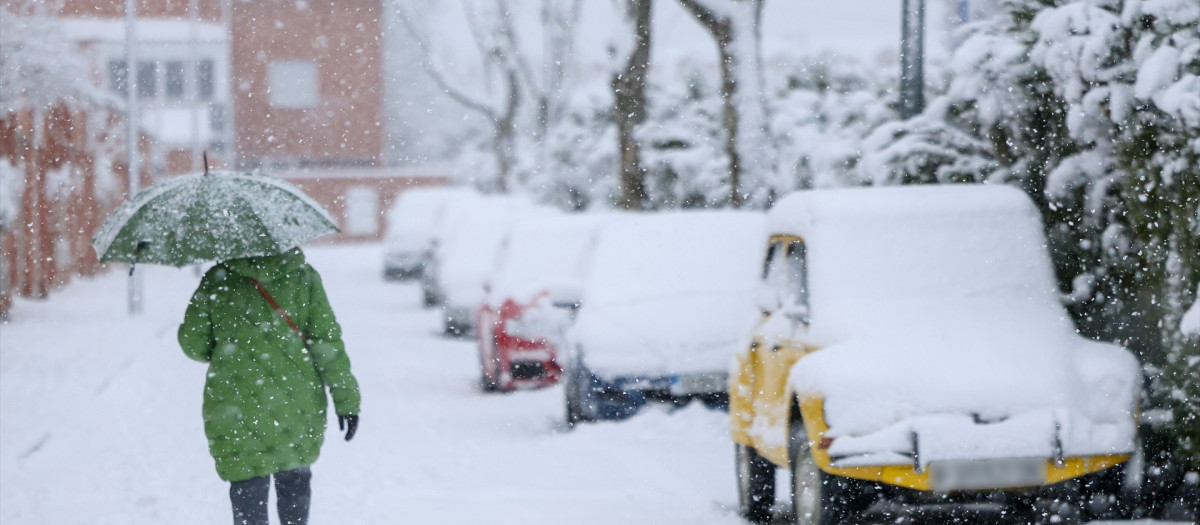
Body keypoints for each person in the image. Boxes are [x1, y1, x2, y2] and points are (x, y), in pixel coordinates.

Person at [178, 247, 361, 525]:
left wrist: (228, 345)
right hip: (295, 404)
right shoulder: (304, 277)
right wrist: (346, 401)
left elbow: (193, 344)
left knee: (247, 491)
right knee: (295, 484)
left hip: (236, 404)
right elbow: (326, 343)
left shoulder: (218, 279)